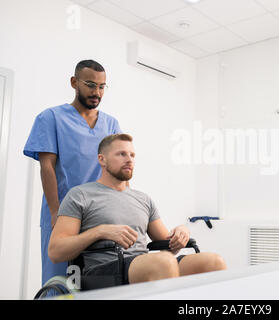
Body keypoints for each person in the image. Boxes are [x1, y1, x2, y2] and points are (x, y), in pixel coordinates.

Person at [48, 134, 226, 285]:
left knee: (214, 262)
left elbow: (167, 245)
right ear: (102, 159)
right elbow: (55, 251)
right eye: (121, 154)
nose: (129, 159)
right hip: (103, 270)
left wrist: (181, 232)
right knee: (164, 263)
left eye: (132, 155)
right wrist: (100, 231)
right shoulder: (80, 195)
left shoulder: (143, 199)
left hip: (143, 264)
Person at [23, 60, 122, 285]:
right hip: (64, 213)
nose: (96, 92)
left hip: (100, 215)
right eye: (90, 84)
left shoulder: (111, 124)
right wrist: (55, 211)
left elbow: (118, 169)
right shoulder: (51, 118)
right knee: (61, 282)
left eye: (102, 86)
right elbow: (47, 167)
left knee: (100, 281)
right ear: (74, 82)